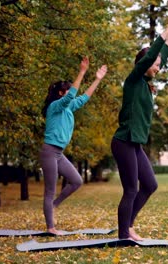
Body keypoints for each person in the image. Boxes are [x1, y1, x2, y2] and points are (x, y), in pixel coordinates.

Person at [111, 8, 168, 240]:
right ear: (145, 63)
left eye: (160, 64)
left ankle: (128, 226)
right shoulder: (133, 80)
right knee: (131, 189)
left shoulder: (145, 85)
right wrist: (165, 32)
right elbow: (154, 51)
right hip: (123, 141)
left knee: (150, 185)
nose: (158, 66)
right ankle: (124, 234)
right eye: (155, 64)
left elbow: (163, 52)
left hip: (135, 144)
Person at [40, 57, 107, 235]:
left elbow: (84, 97)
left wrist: (97, 79)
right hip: (49, 151)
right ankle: (51, 227)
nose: (72, 94)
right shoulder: (55, 106)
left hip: (59, 154)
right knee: (50, 190)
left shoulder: (68, 108)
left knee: (77, 181)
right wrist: (82, 72)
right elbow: (72, 95)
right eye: (69, 91)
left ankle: (54, 205)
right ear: (62, 93)